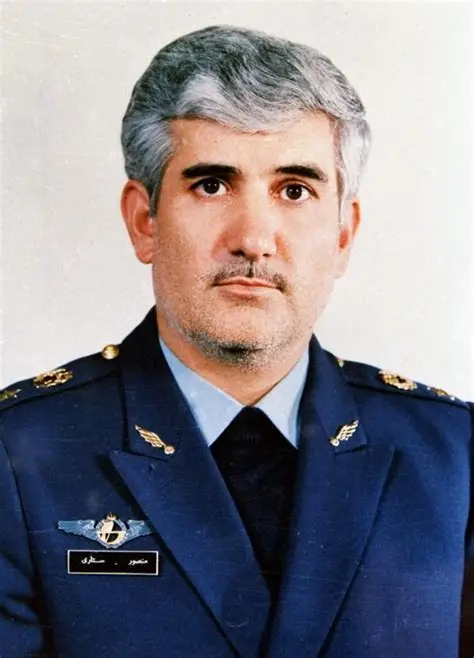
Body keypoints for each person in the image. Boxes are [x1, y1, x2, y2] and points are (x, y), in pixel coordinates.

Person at [0, 24, 472, 658]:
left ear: (343, 234)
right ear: (144, 222)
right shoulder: (17, 455)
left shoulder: (456, 457)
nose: (253, 238)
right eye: (212, 185)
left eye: (294, 190)